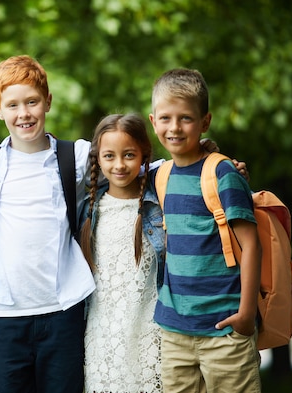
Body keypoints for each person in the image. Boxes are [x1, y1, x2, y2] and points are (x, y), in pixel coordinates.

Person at [0, 55, 95, 393]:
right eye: (13, 105)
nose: (24, 113)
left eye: (32, 102)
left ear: (47, 101)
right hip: (3, 313)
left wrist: (205, 159)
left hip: (62, 308)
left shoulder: (74, 156)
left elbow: (129, 160)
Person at [148, 68, 262, 392]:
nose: (174, 127)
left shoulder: (222, 172)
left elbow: (251, 246)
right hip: (175, 333)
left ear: (204, 122)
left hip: (225, 330)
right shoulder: (161, 176)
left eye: (185, 118)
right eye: (166, 118)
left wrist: (245, 315)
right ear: (153, 120)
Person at [79, 113, 165, 393]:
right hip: (102, 339)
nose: (119, 165)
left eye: (129, 155)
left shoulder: (159, 201)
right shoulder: (88, 210)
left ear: (143, 155)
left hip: (152, 337)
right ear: (98, 159)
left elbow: (192, 164)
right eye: (109, 156)